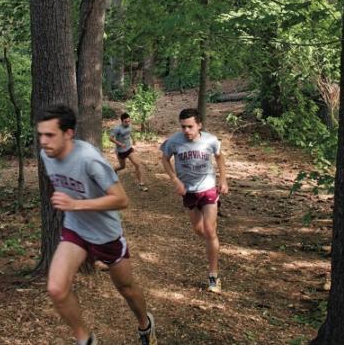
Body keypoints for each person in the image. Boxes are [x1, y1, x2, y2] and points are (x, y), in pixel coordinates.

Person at [37, 105, 157, 345]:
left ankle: (145, 325)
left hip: (106, 235)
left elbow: (122, 199)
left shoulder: (89, 159)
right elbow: (59, 183)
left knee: (126, 288)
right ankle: (85, 339)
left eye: (50, 135)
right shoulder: (46, 154)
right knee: (56, 288)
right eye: (40, 134)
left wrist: (75, 204)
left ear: (69, 133)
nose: (43, 141)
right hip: (75, 230)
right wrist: (62, 200)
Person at [160, 108, 228, 293]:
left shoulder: (211, 140)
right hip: (188, 191)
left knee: (209, 230)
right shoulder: (174, 141)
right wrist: (175, 180)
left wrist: (222, 180)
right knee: (199, 230)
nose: (186, 131)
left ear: (199, 125)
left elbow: (220, 158)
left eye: (190, 126)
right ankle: (212, 241)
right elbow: (164, 159)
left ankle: (213, 276)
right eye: (183, 127)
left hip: (208, 188)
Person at [109, 112, 147, 190]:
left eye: (128, 121)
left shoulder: (130, 126)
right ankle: (113, 170)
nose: (127, 123)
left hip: (129, 149)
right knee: (122, 166)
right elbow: (111, 138)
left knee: (137, 164)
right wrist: (119, 143)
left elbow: (130, 133)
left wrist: (134, 139)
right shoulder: (117, 129)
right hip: (121, 151)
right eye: (125, 121)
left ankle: (141, 183)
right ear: (122, 121)